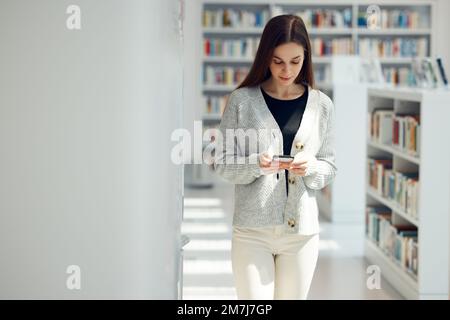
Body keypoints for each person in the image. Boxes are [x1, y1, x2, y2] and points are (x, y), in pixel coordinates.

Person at [210, 14, 337, 300]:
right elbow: (221, 162)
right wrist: (255, 164)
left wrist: (313, 167)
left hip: (302, 235)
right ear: (265, 56)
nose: (286, 70)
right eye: (278, 60)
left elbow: (330, 165)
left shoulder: (322, 106)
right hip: (252, 232)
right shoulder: (242, 101)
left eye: (295, 61)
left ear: (306, 58)